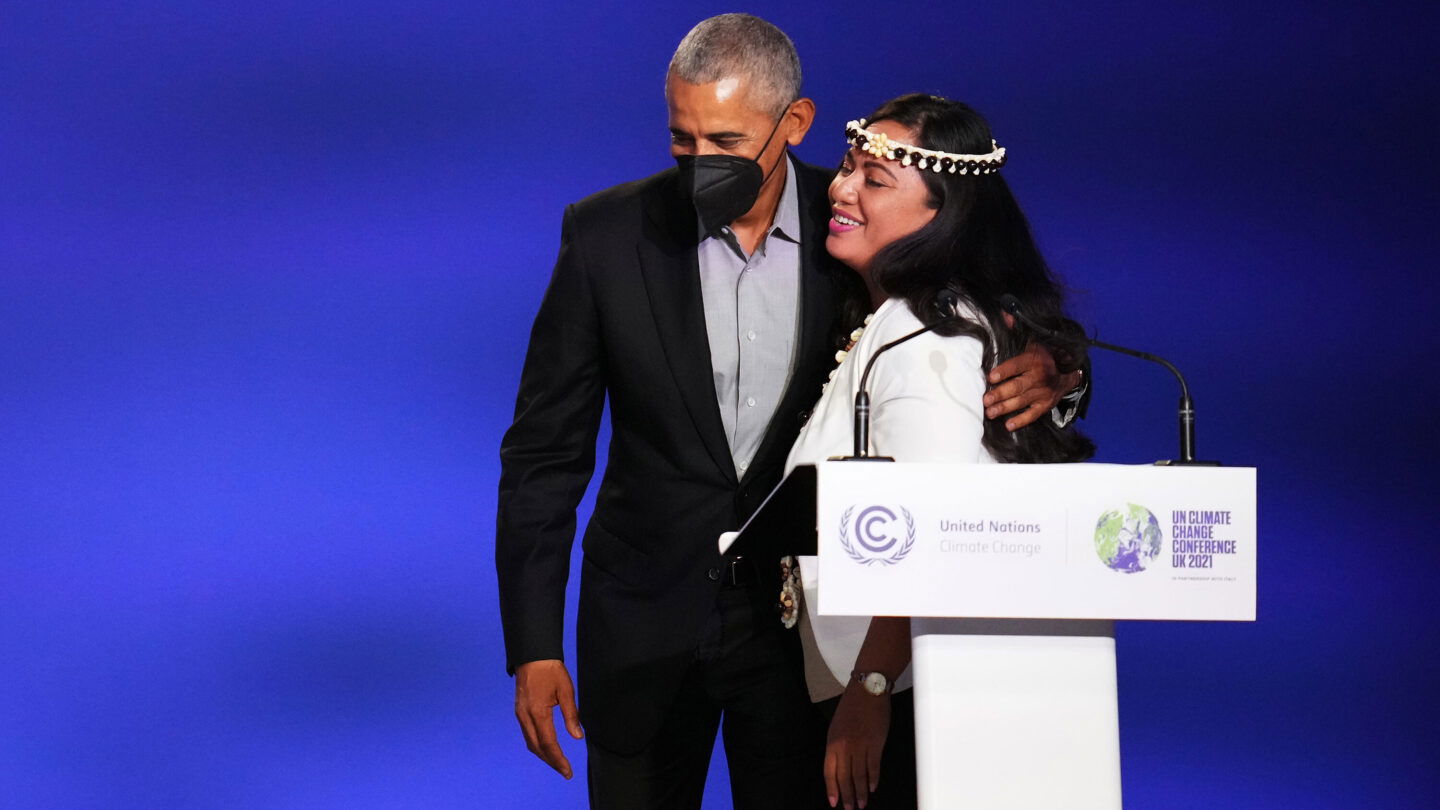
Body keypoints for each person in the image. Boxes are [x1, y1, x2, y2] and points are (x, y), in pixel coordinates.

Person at [496, 16, 1081, 808]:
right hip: (642, 627)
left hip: (796, 645)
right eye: (682, 139)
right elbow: (545, 452)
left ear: (793, 124)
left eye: (727, 141)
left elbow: (982, 317)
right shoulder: (606, 236)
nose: (701, 163)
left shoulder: (857, 228)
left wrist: (1058, 368)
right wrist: (532, 644)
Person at [782, 94, 1096, 810]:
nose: (840, 188)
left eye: (875, 179)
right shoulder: (893, 318)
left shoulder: (932, 336)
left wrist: (868, 691)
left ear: (941, 213)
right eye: (847, 168)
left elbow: (932, 530)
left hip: (910, 693)